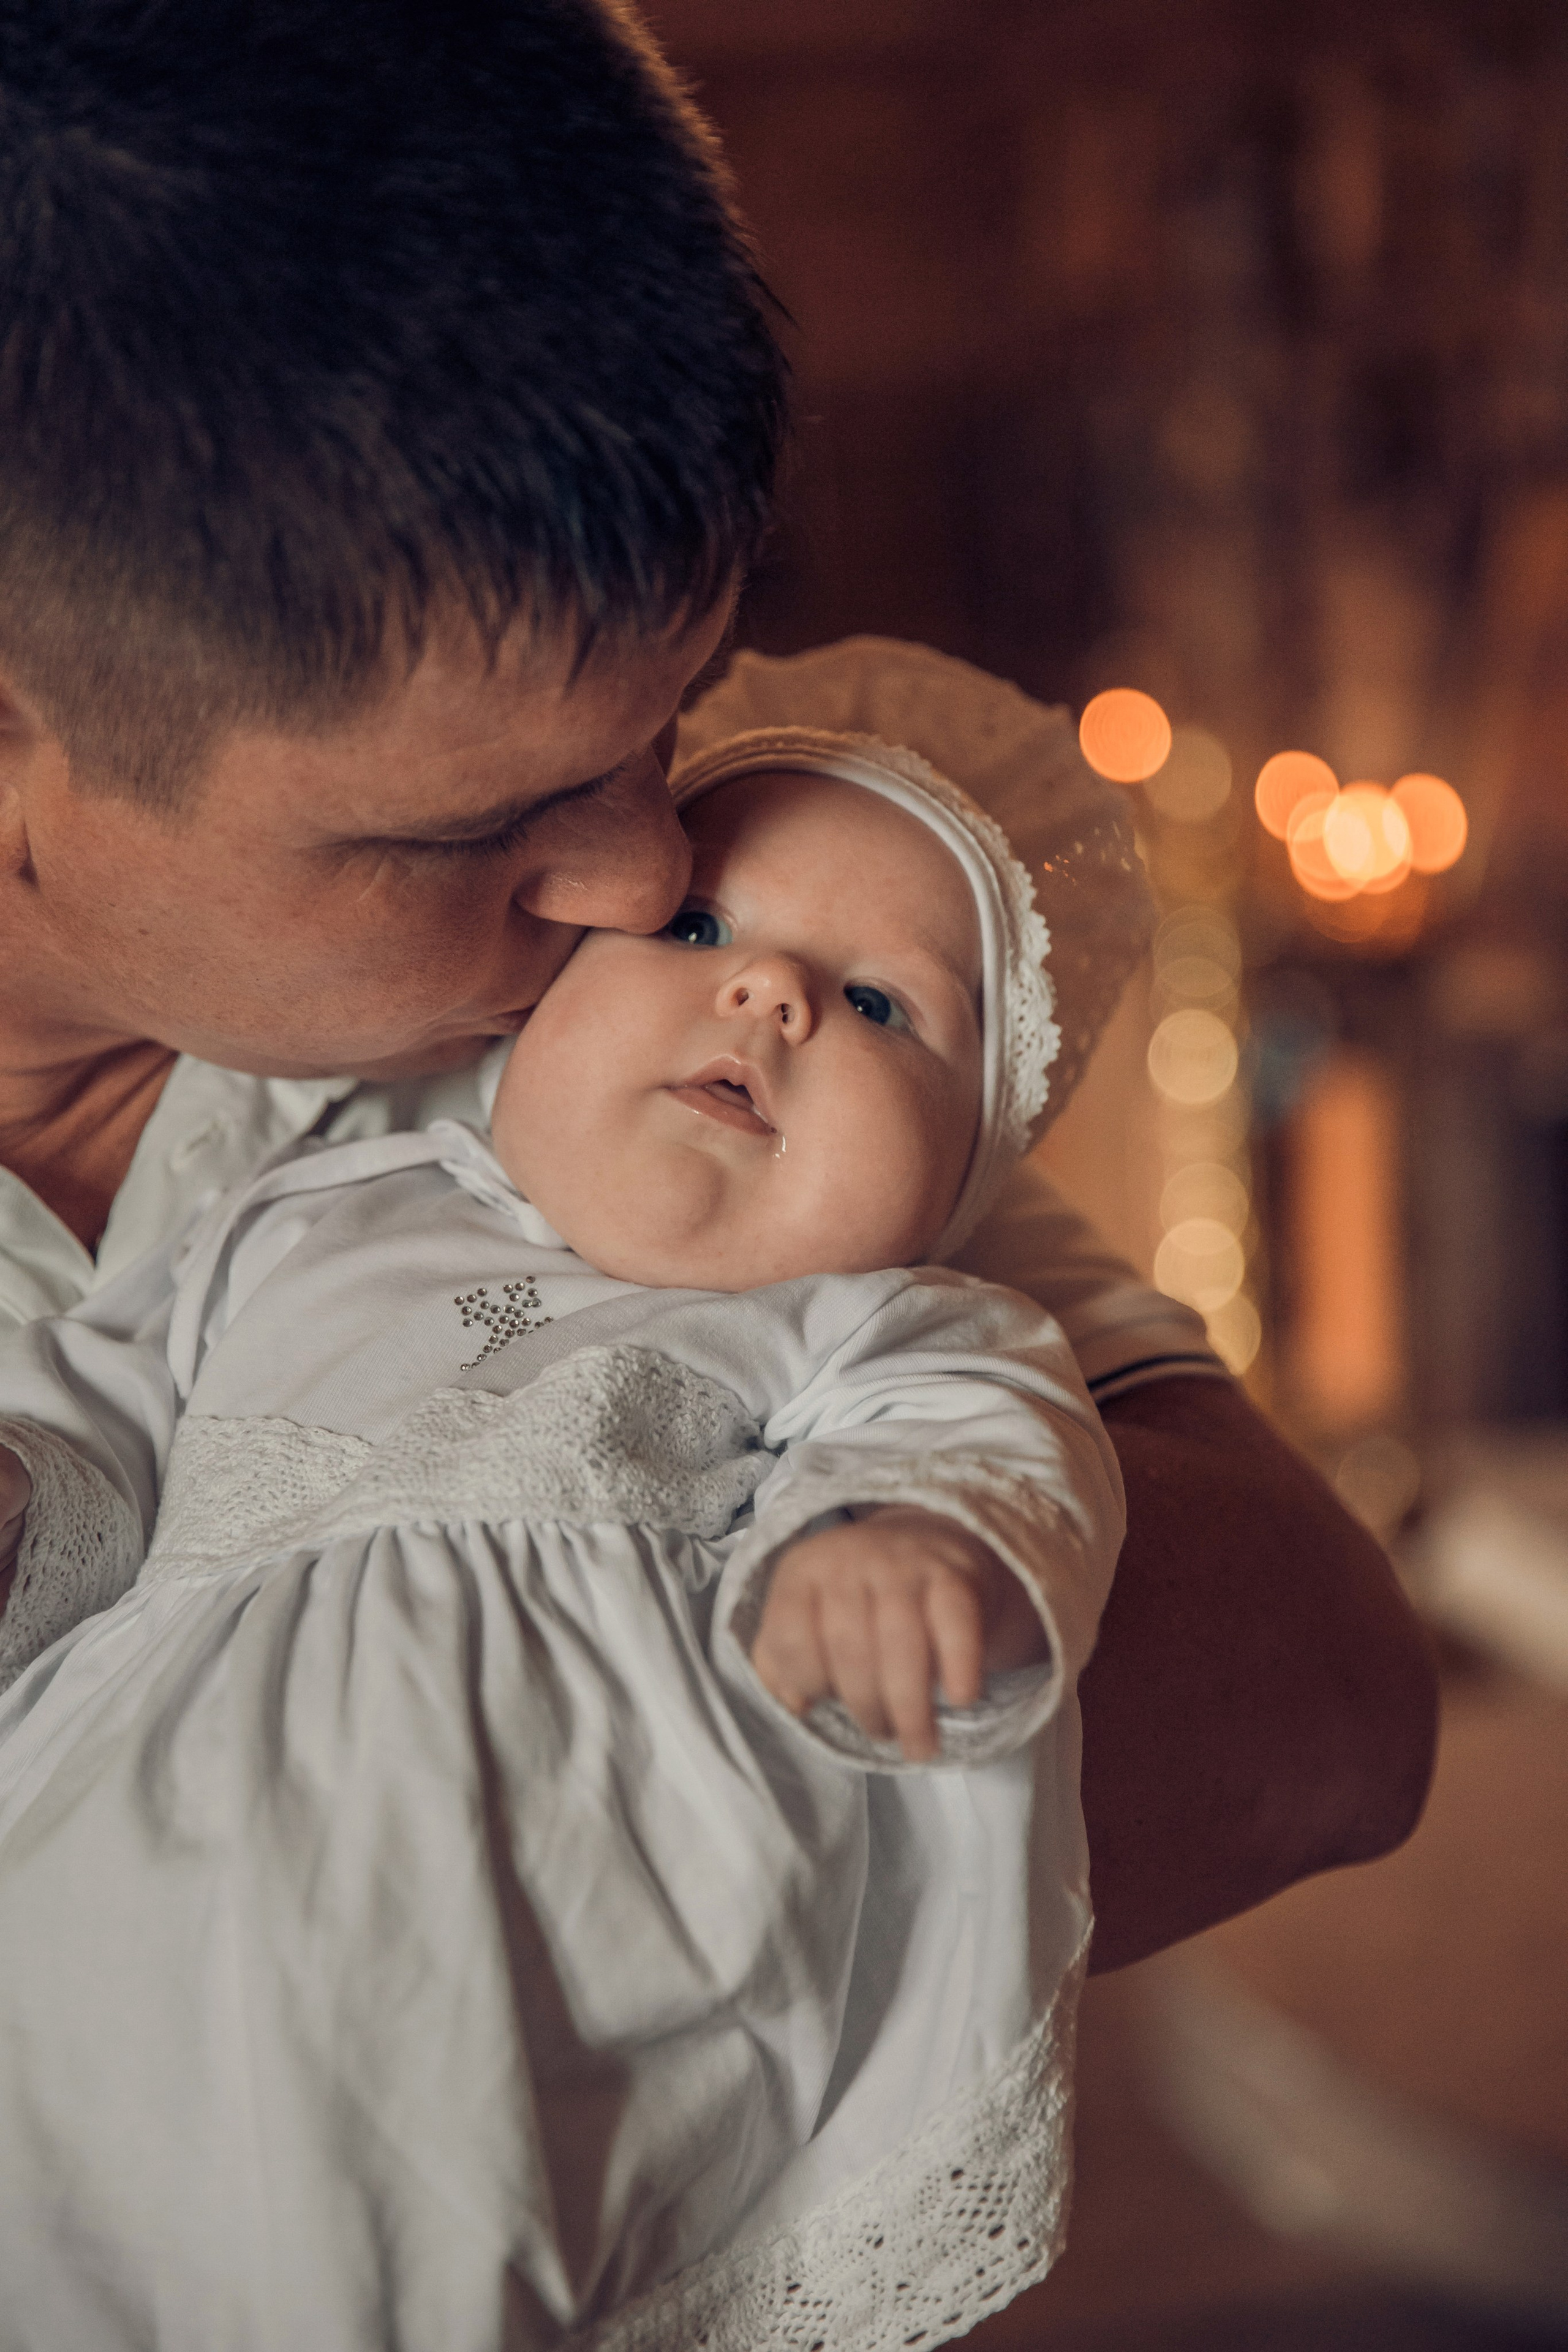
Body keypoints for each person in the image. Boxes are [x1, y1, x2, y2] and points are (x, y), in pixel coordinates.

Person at [0, 0, 1434, 1986]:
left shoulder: (697, 996)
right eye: (470, 826)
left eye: (664, 724)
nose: (651, 877)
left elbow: (1325, 1702)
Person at [0, 725, 1127, 2346]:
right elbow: (102, 1411)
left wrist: (904, 1542)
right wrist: (28, 1488)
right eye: (696, 931)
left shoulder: (885, 1325)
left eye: (881, 1003)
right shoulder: (313, 1215)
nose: (770, 996)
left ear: (960, 1183)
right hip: (115, 1863)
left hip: (522, 1958)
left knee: (391, 2237)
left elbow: (1001, 1454)